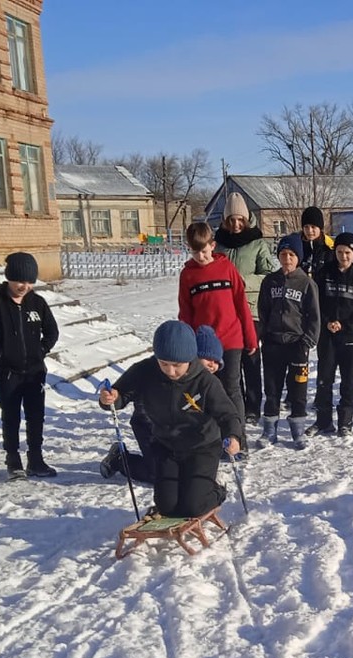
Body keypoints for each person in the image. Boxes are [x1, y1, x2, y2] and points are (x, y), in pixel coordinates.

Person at [97, 320, 243, 518]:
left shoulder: (205, 382)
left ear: (190, 358)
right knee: (167, 506)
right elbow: (119, 395)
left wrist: (234, 436)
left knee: (193, 506)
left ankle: (217, 492)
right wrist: (110, 398)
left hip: (202, 447)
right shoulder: (145, 370)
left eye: (177, 365)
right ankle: (191, 491)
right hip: (166, 445)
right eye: (164, 364)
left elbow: (227, 414)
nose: (171, 371)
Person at [0, 250, 61, 479]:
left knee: (35, 416)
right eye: (20, 281)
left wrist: (41, 351)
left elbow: (51, 331)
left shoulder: (37, 303)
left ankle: (36, 459)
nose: (24, 286)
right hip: (8, 372)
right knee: (11, 416)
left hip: (35, 372)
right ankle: (13, 459)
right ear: (9, 277)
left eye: (29, 282)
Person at [177, 220, 256, 425]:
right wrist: (188, 344)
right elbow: (185, 313)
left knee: (232, 388)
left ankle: (238, 437)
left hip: (231, 339)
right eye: (195, 253)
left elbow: (241, 304)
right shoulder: (188, 275)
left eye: (203, 251)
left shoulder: (227, 268)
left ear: (212, 245)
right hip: (204, 344)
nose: (200, 257)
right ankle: (214, 437)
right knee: (208, 390)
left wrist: (251, 337)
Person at [214, 192, 277, 423]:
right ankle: (233, 403)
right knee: (230, 361)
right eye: (232, 220)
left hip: (250, 309)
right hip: (224, 311)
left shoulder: (257, 243)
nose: (237, 225)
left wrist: (243, 281)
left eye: (240, 220)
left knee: (250, 357)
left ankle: (252, 406)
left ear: (247, 218)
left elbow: (268, 275)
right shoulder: (218, 244)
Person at [257, 235, 320, 447]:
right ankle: (269, 430)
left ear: (298, 258)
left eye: (291, 255)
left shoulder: (307, 283)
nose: (287, 259)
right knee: (272, 388)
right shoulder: (270, 282)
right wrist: (264, 335)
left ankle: (298, 430)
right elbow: (263, 310)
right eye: (283, 254)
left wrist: (307, 341)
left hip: (297, 344)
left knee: (298, 389)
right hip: (273, 343)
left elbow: (314, 316)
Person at [314, 231, 353, 436]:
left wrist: (346, 326)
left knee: (348, 382)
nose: (343, 256)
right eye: (340, 252)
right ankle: (323, 421)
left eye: (347, 252)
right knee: (324, 380)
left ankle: (345, 422)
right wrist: (327, 322)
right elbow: (315, 302)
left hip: (350, 338)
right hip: (327, 336)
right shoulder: (323, 273)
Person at [296, 206, 336, 282]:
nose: (309, 231)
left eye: (313, 227)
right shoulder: (297, 246)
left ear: (320, 228)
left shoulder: (330, 247)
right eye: (306, 227)